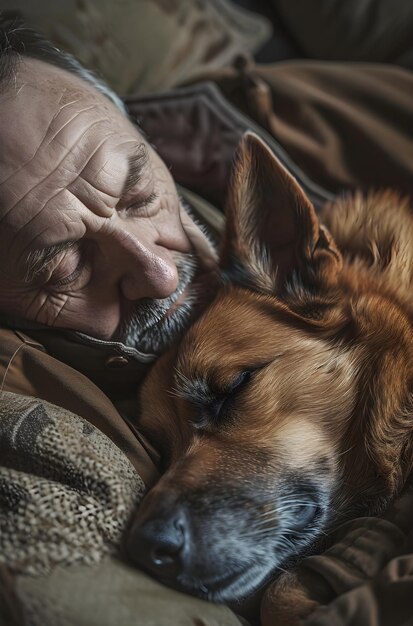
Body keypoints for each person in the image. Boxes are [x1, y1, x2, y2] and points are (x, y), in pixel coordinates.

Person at [1, 10, 413, 626]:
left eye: (139, 192)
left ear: (144, 139)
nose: (159, 273)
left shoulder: (253, 113)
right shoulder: (33, 387)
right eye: (63, 263)